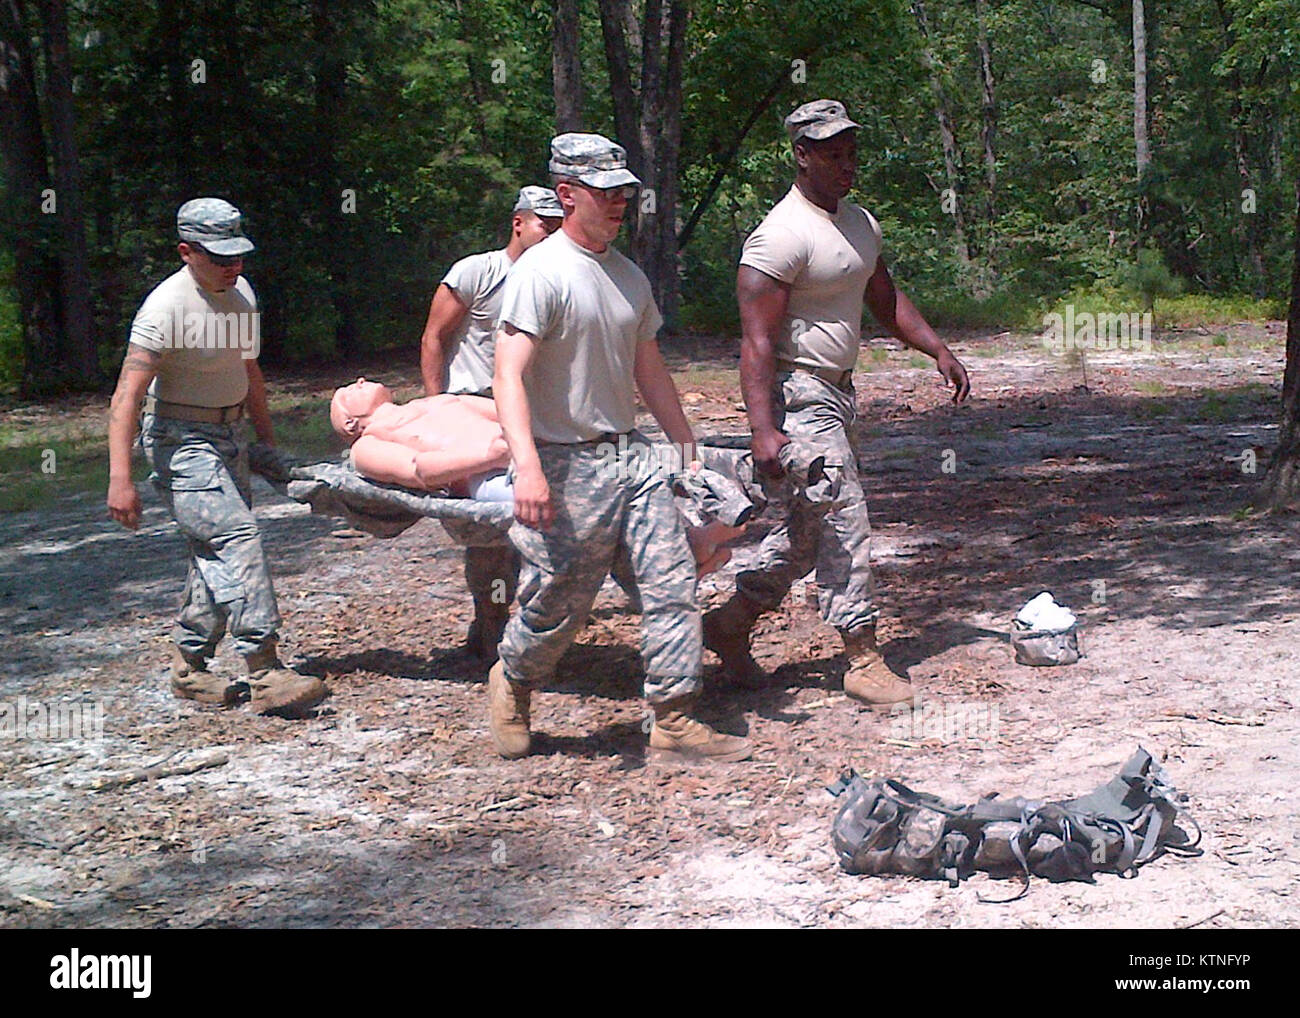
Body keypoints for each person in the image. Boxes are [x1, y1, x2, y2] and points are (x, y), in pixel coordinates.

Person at [488, 133, 753, 762]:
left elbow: (647, 364)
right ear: (567, 194)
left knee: (670, 580)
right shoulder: (540, 274)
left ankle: (673, 715)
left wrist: (684, 442)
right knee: (561, 598)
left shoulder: (629, 276)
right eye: (604, 193)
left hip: (630, 454)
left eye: (624, 193)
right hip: (562, 458)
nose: (618, 204)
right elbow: (507, 374)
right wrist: (526, 466)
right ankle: (514, 679)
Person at [704, 99, 972, 708]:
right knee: (847, 515)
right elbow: (756, 342)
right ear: (802, 155)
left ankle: (728, 624)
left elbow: (884, 298)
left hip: (839, 393)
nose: (846, 163)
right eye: (831, 153)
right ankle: (862, 653)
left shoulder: (858, 223)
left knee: (807, 532)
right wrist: (763, 430)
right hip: (799, 397)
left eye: (851, 152)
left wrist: (937, 349)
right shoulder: (779, 237)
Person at [105, 198, 328, 718]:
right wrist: (121, 478)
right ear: (186, 252)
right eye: (220, 257)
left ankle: (189, 667)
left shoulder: (240, 293)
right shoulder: (166, 309)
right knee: (236, 538)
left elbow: (248, 371)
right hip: (181, 442)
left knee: (215, 551)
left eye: (238, 255)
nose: (233, 266)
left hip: (230, 434)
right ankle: (266, 670)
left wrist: (265, 445)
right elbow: (126, 397)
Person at [329, 377, 743, 574]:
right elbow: (418, 472)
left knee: (631, 471)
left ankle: (696, 538)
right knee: (590, 504)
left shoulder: (437, 402)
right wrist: (491, 454)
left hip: (532, 453)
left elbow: (512, 413)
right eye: (349, 390)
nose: (361, 380)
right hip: (488, 477)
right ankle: (690, 550)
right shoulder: (367, 445)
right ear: (350, 423)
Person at [419, 186, 564, 656]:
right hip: (473, 411)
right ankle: (490, 624)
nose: (553, 233)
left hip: (532, 412)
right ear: (518, 222)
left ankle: (522, 632)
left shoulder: (562, 275)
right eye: (545, 223)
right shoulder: (476, 272)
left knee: (539, 518)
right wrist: (435, 408)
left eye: (559, 224)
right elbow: (434, 338)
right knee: (487, 526)